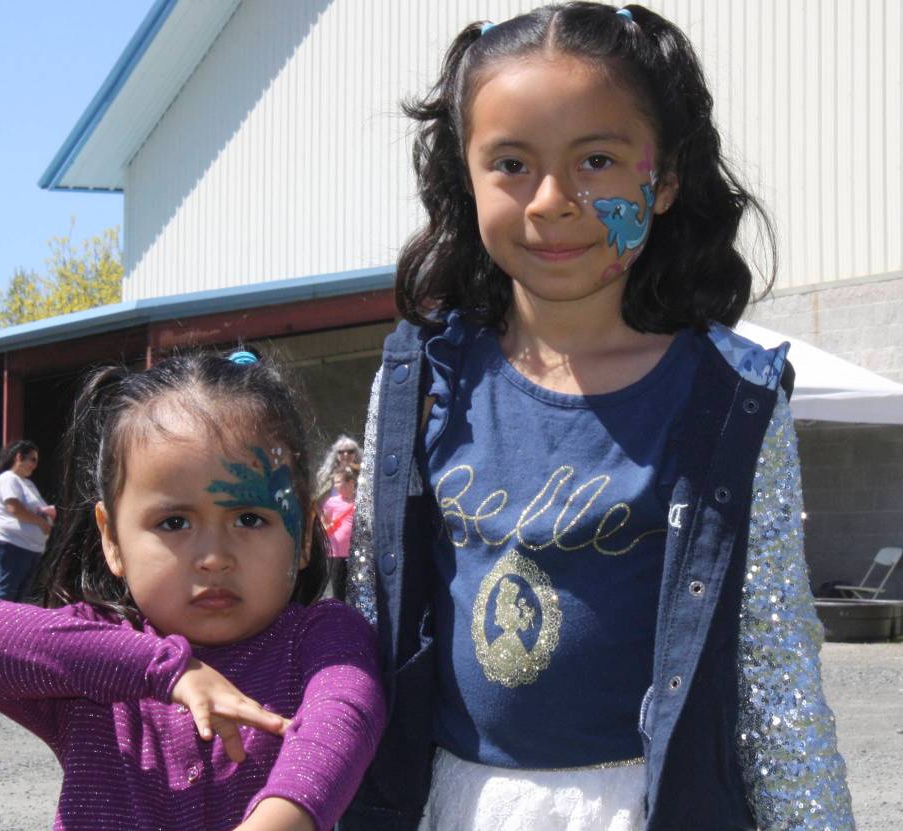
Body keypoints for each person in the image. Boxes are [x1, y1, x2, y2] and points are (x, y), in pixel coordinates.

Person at [343, 5, 854, 830]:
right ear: (462, 178)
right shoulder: (416, 386)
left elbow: (775, 674)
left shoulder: (730, 403)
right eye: (511, 162)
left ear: (668, 179)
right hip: (452, 805)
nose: (554, 201)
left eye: (598, 160)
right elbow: (367, 630)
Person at [0, 349, 385, 831]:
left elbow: (344, 718)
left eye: (250, 518)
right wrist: (166, 672)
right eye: (174, 522)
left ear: (301, 535)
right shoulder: (101, 654)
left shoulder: (322, 639)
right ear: (112, 539)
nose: (214, 556)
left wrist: (283, 818)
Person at [0, 439, 54, 601]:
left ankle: (15, 626)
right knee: (9, 591)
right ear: (18, 457)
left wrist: (47, 513)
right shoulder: (9, 478)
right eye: (32, 459)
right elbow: (14, 508)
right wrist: (41, 522)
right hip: (13, 544)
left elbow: (36, 507)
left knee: (22, 594)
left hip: (31, 547)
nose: (35, 465)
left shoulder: (28, 484)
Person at [322, 463, 359, 600]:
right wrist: (329, 526)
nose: (336, 486)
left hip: (355, 552)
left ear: (351, 482)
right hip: (336, 553)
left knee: (354, 587)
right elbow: (323, 522)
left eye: (339, 482)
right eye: (335, 483)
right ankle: (340, 616)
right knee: (338, 588)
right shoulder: (332, 502)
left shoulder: (359, 502)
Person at [315, 436, 362, 504]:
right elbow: (317, 502)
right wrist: (323, 514)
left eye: (350, 451)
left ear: (356, 454)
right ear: (336, 455)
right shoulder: (327, 476)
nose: (345, 454)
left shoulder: (363, 474)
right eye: (341, 452)